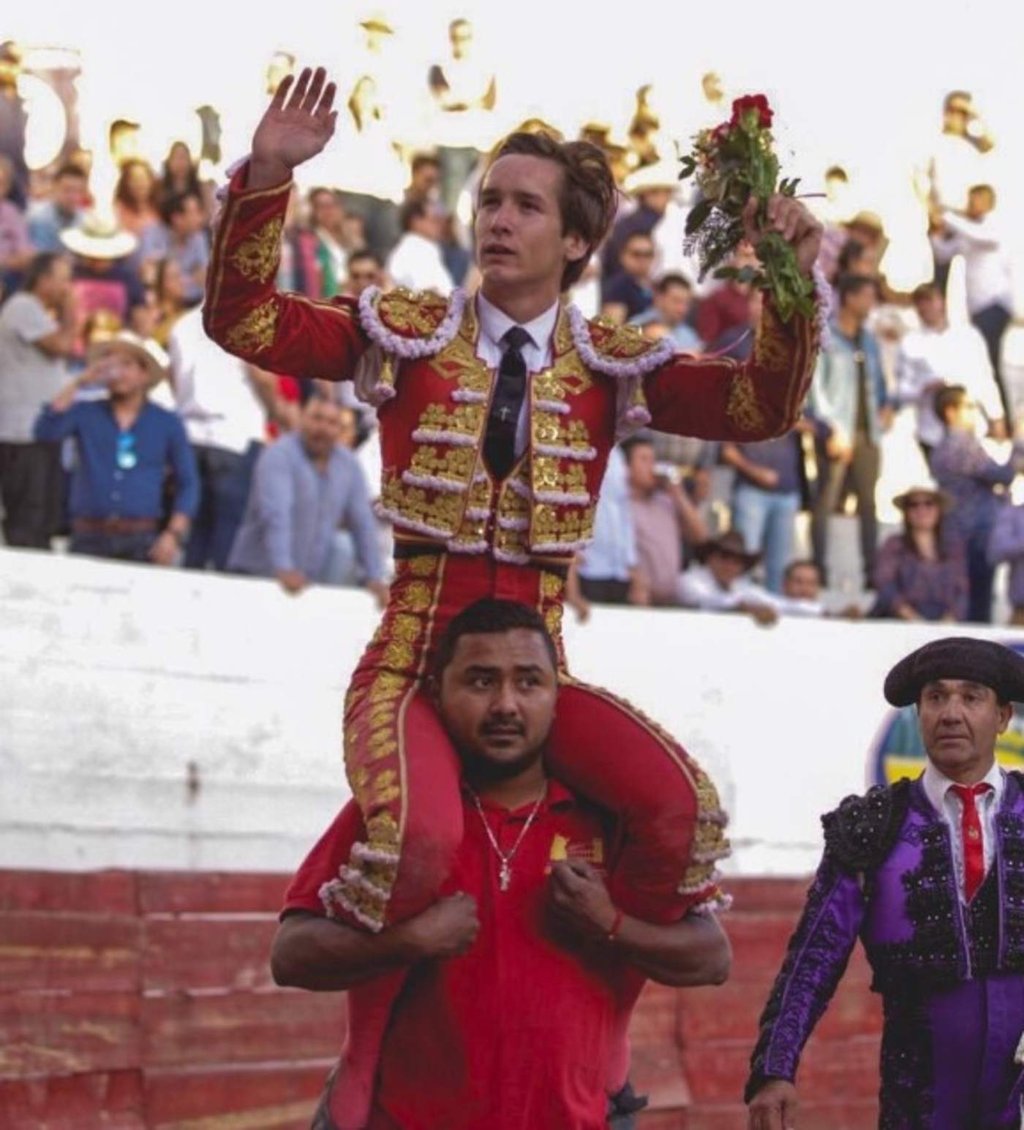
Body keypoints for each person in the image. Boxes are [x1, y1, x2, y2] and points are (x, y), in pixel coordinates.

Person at [203, 67, 821, 958]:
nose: (496, 218)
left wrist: (788, 286)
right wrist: (267, 178)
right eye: (489, 200)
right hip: (414, 663)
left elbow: (759, 409)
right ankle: (378, 1009)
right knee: (417, 843)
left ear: (577, 239)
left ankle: (582, 986)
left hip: (535, 671)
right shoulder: (403, 331)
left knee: (679, 815)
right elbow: (246, 322)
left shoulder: (614, 366)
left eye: (526, 206)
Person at [273, 598, 732, 1130]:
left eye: (529, 682)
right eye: (480, 681)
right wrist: (410, 940)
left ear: (558, 700)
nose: (506, 705)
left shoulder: (607, 820)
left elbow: (712, 958)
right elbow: (290, 955)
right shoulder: (392, 818)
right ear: (439, 698)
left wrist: (610, 923)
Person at [746, 636, 1024, 1130]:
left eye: (971, 697)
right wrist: (774, 1069)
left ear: (1002, 717)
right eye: (935, 697)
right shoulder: (872, 826)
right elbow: (815, 956)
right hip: (919, 1100)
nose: (951, 713)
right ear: (919, 713)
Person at [34, 330, 197, 563]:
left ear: (144, 374)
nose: (117, 372)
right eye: (110, 364)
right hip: (88, 534)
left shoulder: (167, 422)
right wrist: (79, 382)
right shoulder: (86, 412)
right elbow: (46, 431)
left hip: (141, 538)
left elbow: (188, 482)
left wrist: (173, 535)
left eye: (126, 364)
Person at [228, 394, 387, 602]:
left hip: (301, 583)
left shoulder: (348, 465)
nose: (322, 428)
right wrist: (283, 567)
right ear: (302, 418)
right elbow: (276, 514)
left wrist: (373, 577)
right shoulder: (279, 455)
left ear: (339, 429)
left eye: (331, 423)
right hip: (253, 576)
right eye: (316, 418)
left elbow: (362, 523)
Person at [809, 273, 891, 586]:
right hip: (837, 430)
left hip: (867, 430)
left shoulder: (868, 339)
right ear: (852, 297)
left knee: (868, 502)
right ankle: (820, 570)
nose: (871, 304)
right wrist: (830, 427)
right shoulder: (826, 335)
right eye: (867, 296)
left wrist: (886, 406)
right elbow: (816, 389)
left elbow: (880, 382)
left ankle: (871, 573)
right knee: (827, 499)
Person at [0, 252, 77, 547]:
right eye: (63, 280)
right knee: (28, 519)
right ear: (43, 280)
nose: (68, 288)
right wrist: (71, 311)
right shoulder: (23, 306)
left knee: (44, 517)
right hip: (22, 432)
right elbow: (61, 346)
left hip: (37, 431)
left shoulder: (36, 312)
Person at [930, 385, 1019, 624]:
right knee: (976, 608)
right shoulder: (961, 445)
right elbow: (1004, 475)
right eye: (969, 407)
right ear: (951, 412)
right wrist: (1019, 440)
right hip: (974, 536)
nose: (975, 414)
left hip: (963, 533)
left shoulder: (948, 445)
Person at [931, 184, 1014, 420]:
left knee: (989, 363)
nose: (968, 205)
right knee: (984, 362)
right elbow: (943, 253)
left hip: (994, 305)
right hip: (976, 309)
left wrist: (946, 215)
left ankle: (1000, 417)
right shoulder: (966, 233)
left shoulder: (993, 226)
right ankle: (994, 416)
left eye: (973, 200)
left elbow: (980, 237)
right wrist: (935, 230)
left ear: (986, 202)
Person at [895, 281, 1005, 459]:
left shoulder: (968, 336)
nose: (926, 307)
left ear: (942, 301)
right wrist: (925, 388)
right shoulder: (911, 343)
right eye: (921, 303)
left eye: (930, 300)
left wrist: (996, 416)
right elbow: (902, 391)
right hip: (932, 430)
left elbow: (985, 379)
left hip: (970, 423)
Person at [625, 432, 707, 606]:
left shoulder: (666, 502)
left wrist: (679, 495)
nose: (652, 466)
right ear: (626, 467)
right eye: (644, 460)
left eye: (653, 460)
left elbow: (700, 537)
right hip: (639, 601)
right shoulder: (621, 508)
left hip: (672, 601)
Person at [870, 484, 968, 622]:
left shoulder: (952, 548)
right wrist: (911, 617)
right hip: (898, 623)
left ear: (938, 509)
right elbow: (885, 584)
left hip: (944, 626)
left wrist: (948, 621)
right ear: (906, 512)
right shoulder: (894, 545)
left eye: (929, 504)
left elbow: (962, 590)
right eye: (913, 505)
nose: (921, 510)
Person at [678, 530, 779, 625]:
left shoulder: (740, 587)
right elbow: (706, 600)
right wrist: (744, 607)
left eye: (737, 561)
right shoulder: (690, 580)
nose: (729, 566)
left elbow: (776, 603)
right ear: (710, 557)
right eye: (724, 556)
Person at [385, 196, 453, 295]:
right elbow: (431, 294)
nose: (440, 225)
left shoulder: (420, 248)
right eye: (434, 219)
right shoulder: (416, 250)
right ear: (416, 221)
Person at [628, 273, 702, 351]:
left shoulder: (689, 334)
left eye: (687, 303)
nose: (683, 309)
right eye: (676, 301)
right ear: (659, 298)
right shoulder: (635, 327)